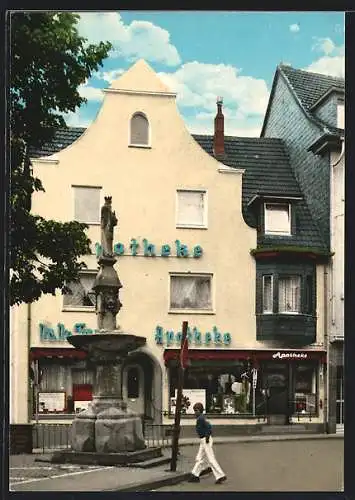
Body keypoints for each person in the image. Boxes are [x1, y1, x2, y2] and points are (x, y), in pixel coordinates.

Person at [188, 402, 227, 484]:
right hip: (203, 440)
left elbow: (209, 427)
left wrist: (207, 437)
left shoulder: (201, 419)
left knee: (210, 458)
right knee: (199, 458)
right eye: (194, 410)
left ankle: (220, 475)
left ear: (199, 410)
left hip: (206, 440)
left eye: (196, 410)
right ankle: (195, 475)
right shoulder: (201, 418)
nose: (195, 412)